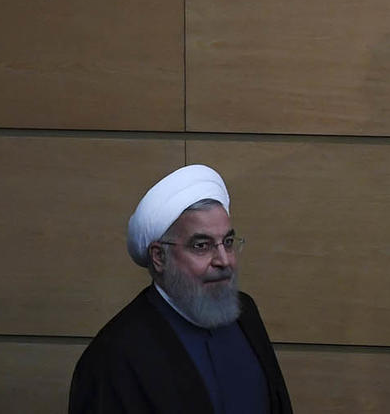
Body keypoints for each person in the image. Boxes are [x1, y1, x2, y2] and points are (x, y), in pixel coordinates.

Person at [69, 164, 293, 413]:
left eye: (227, 242)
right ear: (159, 257)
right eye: (201, 246)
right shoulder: (113, 356)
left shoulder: (245, 314)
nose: (224, 260)